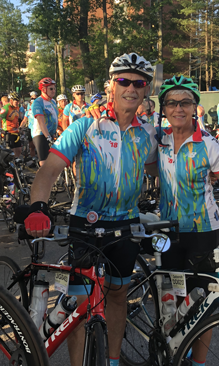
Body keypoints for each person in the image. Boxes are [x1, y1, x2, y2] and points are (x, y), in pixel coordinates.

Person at [24, 52, 157, 366]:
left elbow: (158, 170)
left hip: (125, 224)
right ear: (112, 85)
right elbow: (48, 171)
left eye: (139, 83)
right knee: (79, 303)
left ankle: (111, 361)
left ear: (146, 89)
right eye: (124, 80)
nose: (131, 88)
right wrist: (38, 208)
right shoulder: (85, 125)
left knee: (118, 295)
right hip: (84, 222)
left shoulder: (147, 133)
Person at [155, 75, 219, 366]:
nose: (178, 108)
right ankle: (173, 350)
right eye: (171, 103)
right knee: (170, 299)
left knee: (201, 305)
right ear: (164, 109)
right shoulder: (157, 139)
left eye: (185, 102)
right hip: (168, 231)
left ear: (195, 106)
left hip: (203, 232)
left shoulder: (208, 143)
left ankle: (198, 363)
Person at [31, 77, 58, 167]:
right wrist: (48, 138)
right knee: (44, 164)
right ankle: (41, 181)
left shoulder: (53, 101)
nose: (53, 90)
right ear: (43, 89)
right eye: (51, 88)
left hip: (50, 134)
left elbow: (55, 119)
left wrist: (53, 134)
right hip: (40, 134)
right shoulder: (38, 102)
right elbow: (41, 122)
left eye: (54, 88)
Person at [0, 92, 22, 158]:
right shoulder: (6, 108)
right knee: (11, 151)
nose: (18, 103)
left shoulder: (17, 107)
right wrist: (1, 129)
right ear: (11, 101)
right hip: (8, 132)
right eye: (16, 101)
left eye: (19, 101)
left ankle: (16, 162)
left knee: (19, 150)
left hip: (16, 132)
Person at [20, 95, 36, 160]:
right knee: (31, 146)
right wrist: (20, 127)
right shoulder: (28, 112)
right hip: (30, 129)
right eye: (32, 103)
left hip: (38, 130)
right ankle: (33, 160)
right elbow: (24, 120)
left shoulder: (40, 110)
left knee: (38, 146)